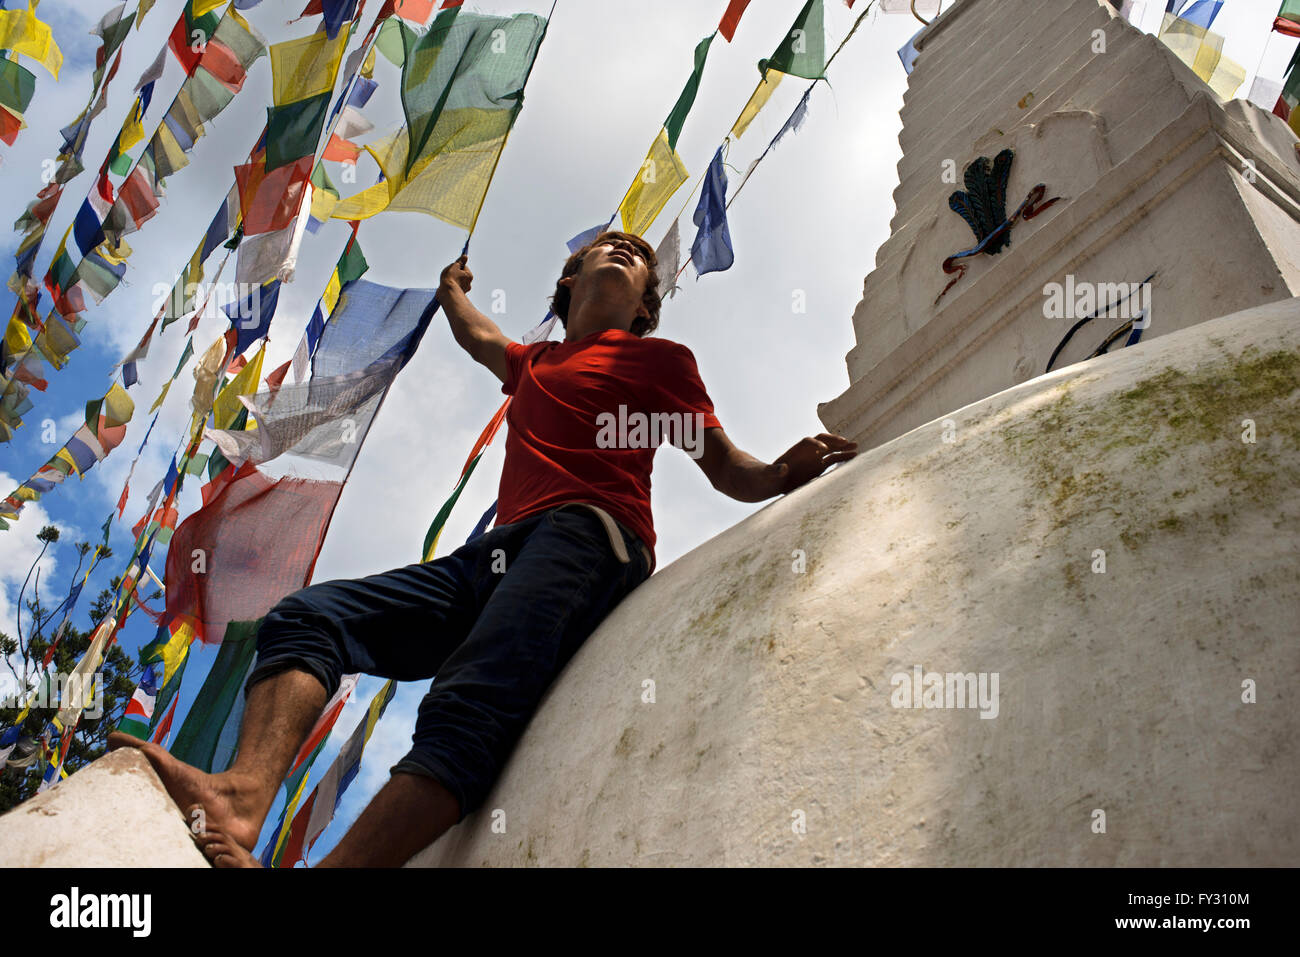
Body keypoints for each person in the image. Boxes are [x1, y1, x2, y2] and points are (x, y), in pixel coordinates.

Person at [108, 230, 858, 867]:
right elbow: (480, 337)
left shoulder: (659, 364)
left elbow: (724, 466)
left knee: (468, 699)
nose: (627, 250)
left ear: (646, 308)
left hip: (590, 535)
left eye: (638, 259)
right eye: (610, 244)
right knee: (308, 617)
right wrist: (449, 290)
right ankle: (241, 798)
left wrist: (786, 470)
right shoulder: (534, 364)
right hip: (497, 554)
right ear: (569, 280)